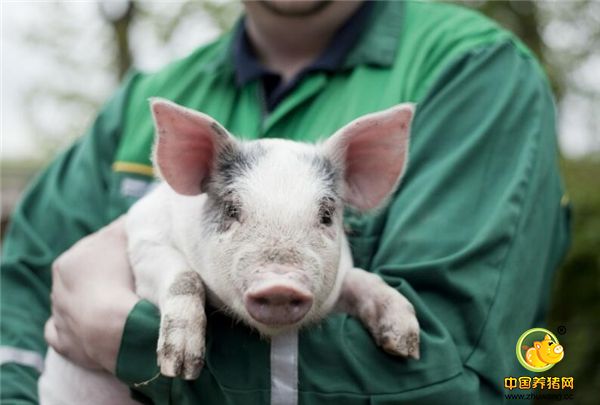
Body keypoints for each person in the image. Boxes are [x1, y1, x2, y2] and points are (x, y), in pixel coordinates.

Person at [1, 1, 570, 403]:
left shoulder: (472, 71)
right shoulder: (141, 102)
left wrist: (126, 337)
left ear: (368, 168)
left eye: (328, 214)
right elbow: (19, 305)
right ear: (187, 159)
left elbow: (457, 379)